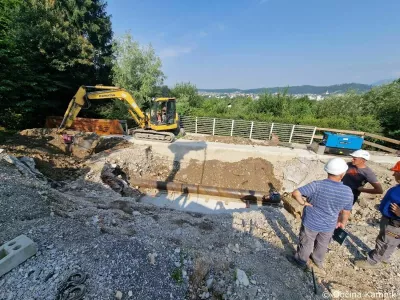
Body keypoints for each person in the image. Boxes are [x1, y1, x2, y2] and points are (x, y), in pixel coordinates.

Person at [288, 158, 353, 276]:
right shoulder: (347, 191)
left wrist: (303, 203)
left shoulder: (316, 185)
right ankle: (317, 260)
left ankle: (300, 261)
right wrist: (342, 223)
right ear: (342, 174)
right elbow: (346, 211)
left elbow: (295, 193)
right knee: (322, 244)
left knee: (307, 242)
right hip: (329, 224)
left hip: (311, 222)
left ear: (327, 171)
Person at [355, 161, 400, 269]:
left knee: (386, 242)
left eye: (396, 172)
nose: (393, 174)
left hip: (394, 224)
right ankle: (382, 257)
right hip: (389, 221)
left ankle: (374, 262)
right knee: (385, 240)